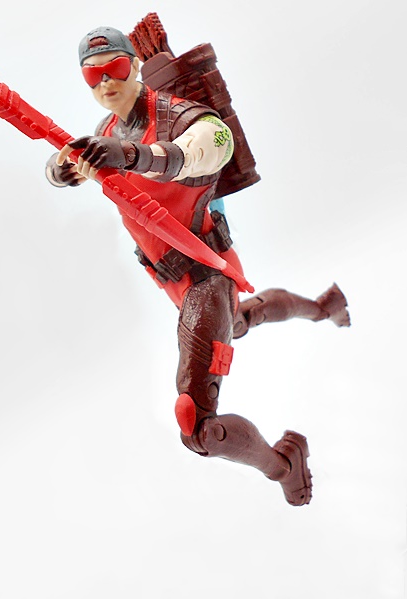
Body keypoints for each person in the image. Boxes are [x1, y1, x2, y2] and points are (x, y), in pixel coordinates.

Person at [45, 26, 349, 506]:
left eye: (116, 69)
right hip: (173, 281)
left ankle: (285, 466)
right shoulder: (107, 132)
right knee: (238, 321)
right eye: (93, 75)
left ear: (134, 66)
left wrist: (133, 156)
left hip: (207, 274)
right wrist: (61, 170)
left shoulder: (182, 118)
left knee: (198, 425)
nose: (106, 82)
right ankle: (323, 306)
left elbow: (207, 148)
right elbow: (65, 164)